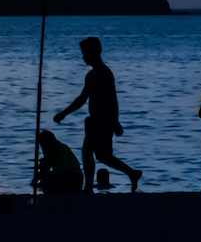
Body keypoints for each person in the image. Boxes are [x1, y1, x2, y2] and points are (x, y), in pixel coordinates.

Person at [54, 37, 142, 193]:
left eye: (84, 53)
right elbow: (82, 98)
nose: (83, 57)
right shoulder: (91, 75)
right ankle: (89, 186)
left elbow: (112, 99)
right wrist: (64, 113)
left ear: (93, 53)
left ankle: (131, 173)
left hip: (104, 120)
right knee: (89, 152)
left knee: (102, 156)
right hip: (94, 120)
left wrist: (114, 121)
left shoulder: (104, 73)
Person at [30, 130, 82, 194]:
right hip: (78, 177)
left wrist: (35, 180)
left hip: (66, 176)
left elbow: (46, 167)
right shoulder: (63, 147)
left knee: (45, 180)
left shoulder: (50, 147)